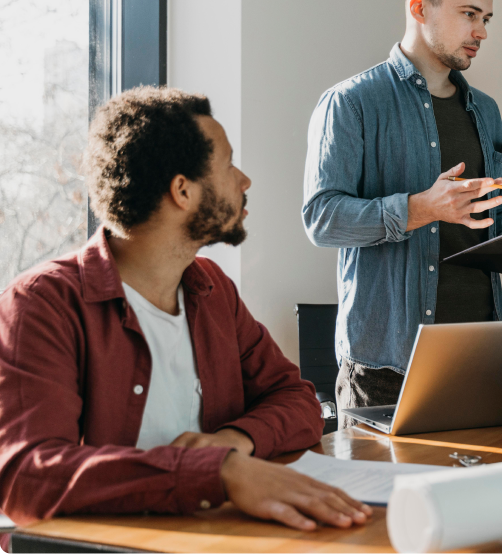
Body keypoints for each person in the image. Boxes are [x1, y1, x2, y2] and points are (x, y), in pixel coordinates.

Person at [0, 87, 372, 533]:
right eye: (229, 164)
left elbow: (297, 402)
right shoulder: (42, 304)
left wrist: (232, 444)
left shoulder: (213, 289)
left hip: (219, 537)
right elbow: (29, 476)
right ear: (182, 190)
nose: (244, 181)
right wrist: (217, 473)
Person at [302, 0, 502, 418]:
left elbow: (499, 206)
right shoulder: (351, 103)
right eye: (468, 14)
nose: (481, 32)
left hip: (479, 354)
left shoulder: (486, 110)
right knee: (383, 494)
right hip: (385, 369)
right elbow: (322, 220)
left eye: (486, 18)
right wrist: (422, 207)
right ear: (420, 8)